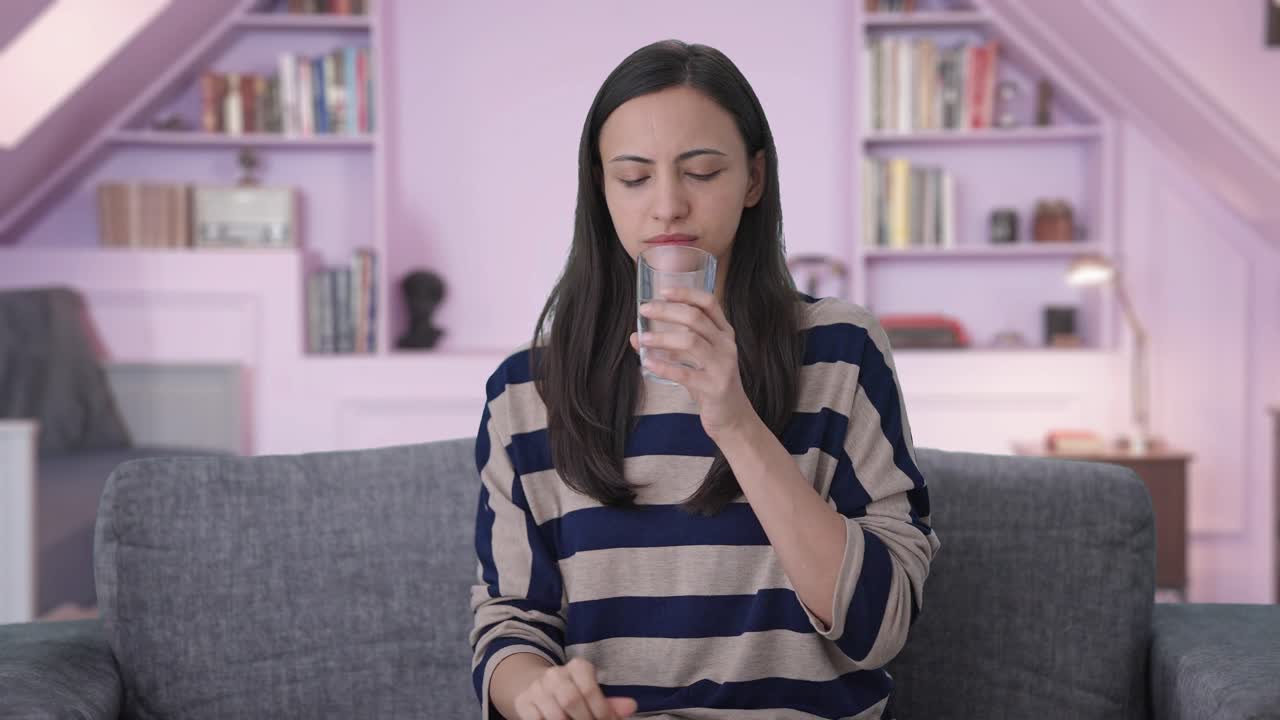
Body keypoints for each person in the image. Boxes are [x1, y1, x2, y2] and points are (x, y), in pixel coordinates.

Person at [470, 39, 940, 720]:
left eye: (701, 172)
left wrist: (735, 420)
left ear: (753, 179)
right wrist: (539, 694)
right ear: (600, 191)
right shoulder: (525, 389)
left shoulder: (840, 351)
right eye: (633, 178)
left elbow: (880, 626)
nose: (667, 206)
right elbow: (510, 622)